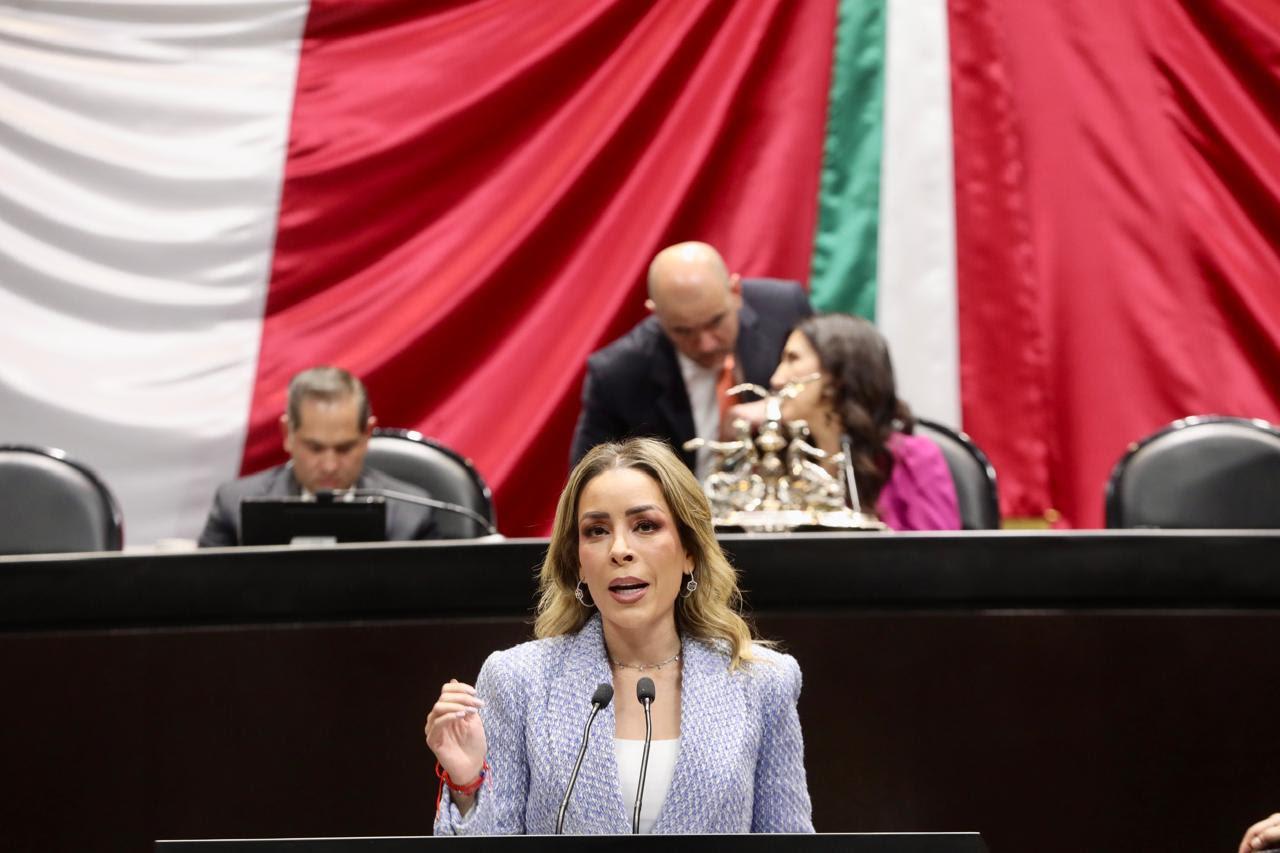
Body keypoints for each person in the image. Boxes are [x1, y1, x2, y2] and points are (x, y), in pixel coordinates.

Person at [426, 438, 813, 835]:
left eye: (645, 526)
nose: (620, 550)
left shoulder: (762, 682)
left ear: (689, 551)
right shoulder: (518, 680)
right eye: (597, 531)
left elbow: (791, 845)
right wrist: (466, 784)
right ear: (578, 561)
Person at [570, 241, 811, 478]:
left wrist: (779, 408)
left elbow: (830, 384)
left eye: (715, 321)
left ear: (736, 292)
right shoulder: (617, 374)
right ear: (657, 315)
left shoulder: (785, 308)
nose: (706, 344)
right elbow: (587, 480)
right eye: (683, 331)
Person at [761, 313, 961, 531]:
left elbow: (941, 551)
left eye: (792, 359)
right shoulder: (778, 457)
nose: (776, 380)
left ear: (835, 377)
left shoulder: (912, 460)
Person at [197, 366, 437, 546]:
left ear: (366, 435)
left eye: (344, 448)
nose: (329, 466)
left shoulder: (412, 515)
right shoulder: (234, 506)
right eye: (315, 448)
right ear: (287, 434)